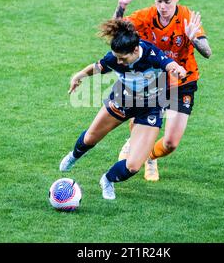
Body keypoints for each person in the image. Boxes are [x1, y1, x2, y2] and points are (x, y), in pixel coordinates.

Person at [59, 19, 186, 200]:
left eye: (123, 58)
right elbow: (98, 67)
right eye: (116, 57)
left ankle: (107, 180)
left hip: (149, 108)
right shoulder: (116, 58)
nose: (118, 62)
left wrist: (178, 69)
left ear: (135, 50)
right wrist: (79, 75)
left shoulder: (151, 54)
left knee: (133, 166)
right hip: (122, 99)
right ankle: (73, 156)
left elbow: (169, 64)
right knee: (90, 138)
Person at [113, 0, 212, 181]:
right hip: (152, 80)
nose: (162, 6)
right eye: (159, 0)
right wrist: (121, 6)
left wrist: (193, 39)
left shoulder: (187, 17)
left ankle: (149, 155)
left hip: (182, 81)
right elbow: (115, 33)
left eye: (167, 1)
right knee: (140, 121)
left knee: (170, 143)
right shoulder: (146, 16)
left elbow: (208, 52)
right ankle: (135, 145)